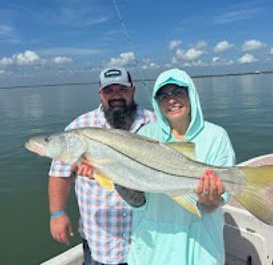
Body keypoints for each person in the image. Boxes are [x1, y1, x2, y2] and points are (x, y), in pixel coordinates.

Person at [126, 68, 236, 265]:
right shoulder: (145, 136)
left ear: (191, 94)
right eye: (163, 95)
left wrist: (210, 200)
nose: (172, 100)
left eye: (178, 92)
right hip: (153, 248)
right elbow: (137, 200)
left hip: (201, 247)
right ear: (157, 102)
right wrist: (112, 176)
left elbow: (216, 203)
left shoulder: (216, 135)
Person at [48, 66, 155, 265]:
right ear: (100, 94)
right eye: (108, 91)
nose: (115, 96)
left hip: (149, 238)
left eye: (121, 90)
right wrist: (57, 213)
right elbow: (59, 174)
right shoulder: (78, 128)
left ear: (133, 90)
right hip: (102, 242)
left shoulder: (154, 123)